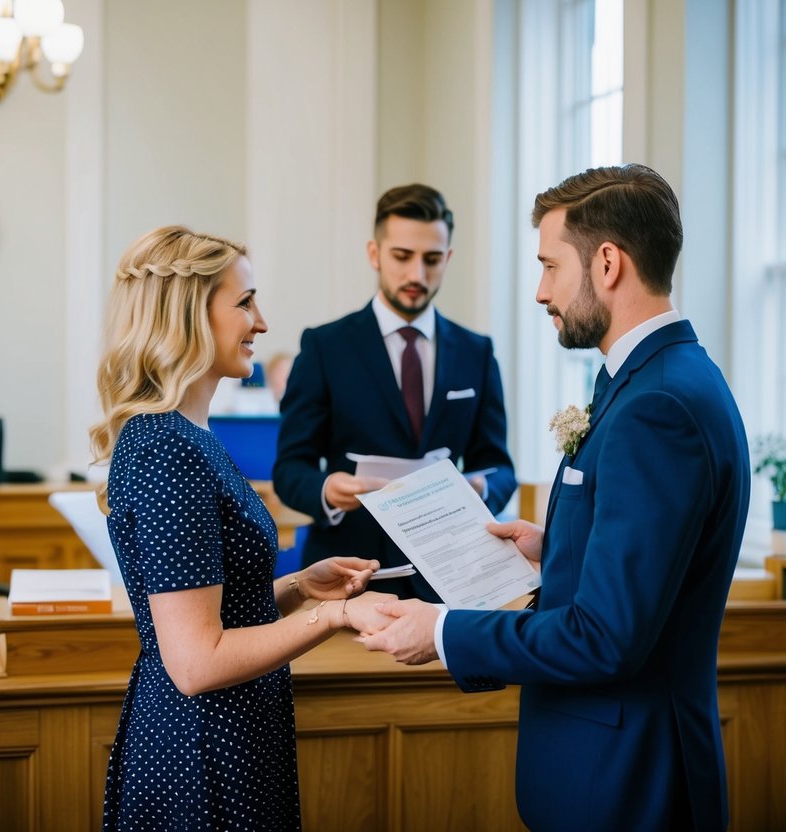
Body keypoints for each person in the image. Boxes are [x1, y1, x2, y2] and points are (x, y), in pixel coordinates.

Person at [362, 165, 750, 831]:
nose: (540, 292)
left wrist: (444, 630)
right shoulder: (657, 380)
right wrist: (559, 550)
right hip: (612, 763)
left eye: (549, 266)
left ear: (605, 263)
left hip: (627, 777)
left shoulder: (655, 405)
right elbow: (645, 571)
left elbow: (605, 639)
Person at [90, 226, 393, 831]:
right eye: (245, 301)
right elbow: (197, 660)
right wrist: (331, 617)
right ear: (190, 314)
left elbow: (216, 611)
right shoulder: (162, 448)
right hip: (202, 745)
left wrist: (303, 586)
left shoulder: (193, 435)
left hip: (235, 725)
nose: (262, 321)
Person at [273, 184, 517, 602]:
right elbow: (290, 469)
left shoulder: (477, 352)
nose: (416, 276)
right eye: (402, 257)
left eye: (432, 259)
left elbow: (499, 466)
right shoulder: (324, 347)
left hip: (448, 580)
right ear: (375, 254)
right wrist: (328, 490)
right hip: (347, 580)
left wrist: (479, 488)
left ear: (448, 259)